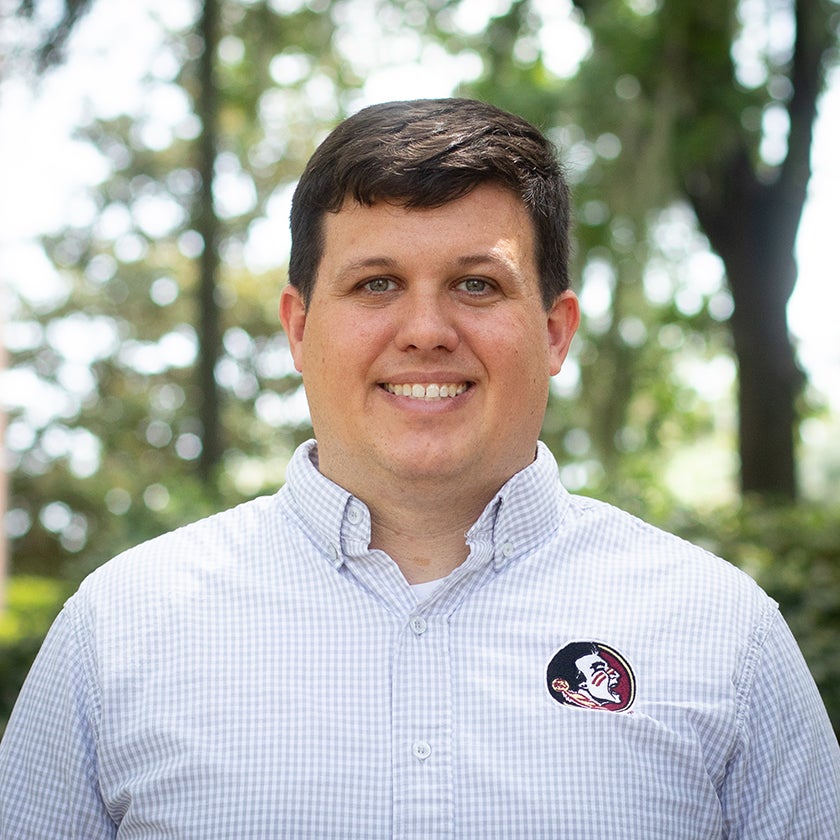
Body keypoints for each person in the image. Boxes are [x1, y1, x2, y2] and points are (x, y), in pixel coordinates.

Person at [0, 97, 837, 838]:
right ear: (299, 329)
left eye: (476, 285)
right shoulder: (118, 632)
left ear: (555, 332)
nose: (427, 331)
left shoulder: (724, 636)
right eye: (376, 285)